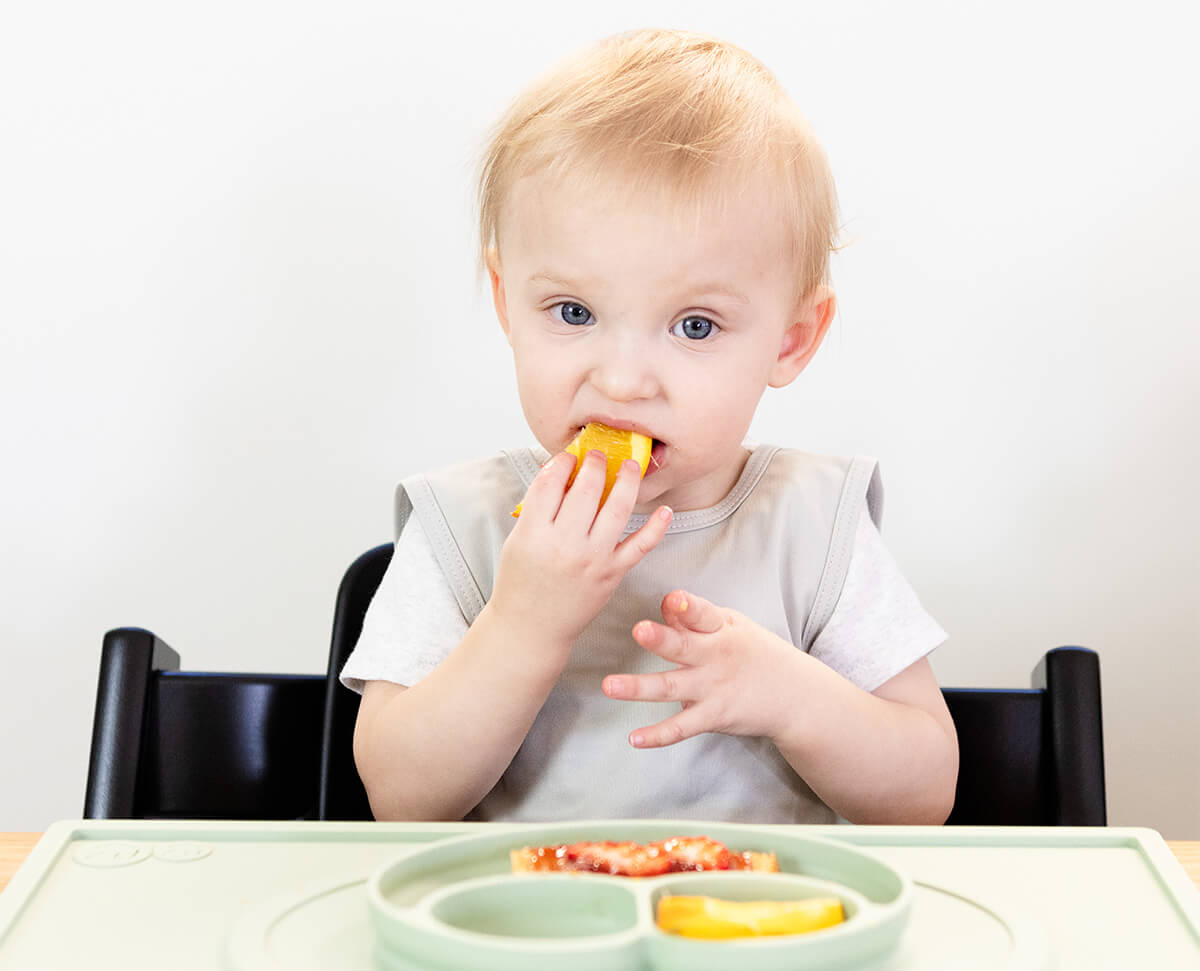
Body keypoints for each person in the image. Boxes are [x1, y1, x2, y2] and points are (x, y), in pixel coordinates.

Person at [342, 28, 958, 825]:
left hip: (760, 936)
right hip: (522, 938)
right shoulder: (467, 528)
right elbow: (401, 799)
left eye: (695, 326)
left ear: (791, 340)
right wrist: (523, 623)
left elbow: (923, 798)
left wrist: (793, 697)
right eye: (574, 312)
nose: (624, 379)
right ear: (505, 302)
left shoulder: (816, 529)